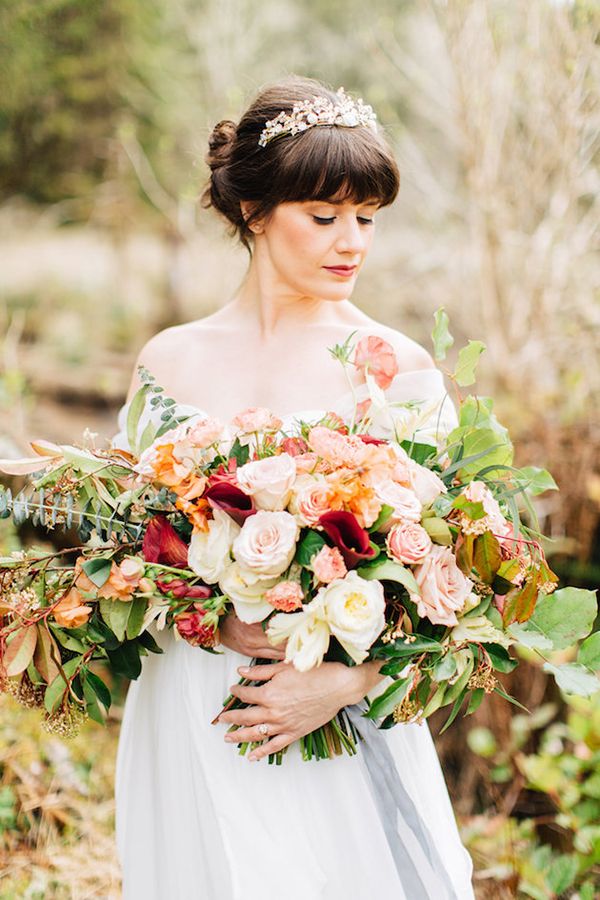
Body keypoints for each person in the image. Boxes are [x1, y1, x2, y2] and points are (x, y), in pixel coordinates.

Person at [113, 75, 475, 899]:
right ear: (254, 212)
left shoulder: (395, 371)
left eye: (367, 219)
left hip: (337, 717)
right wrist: (206, 617)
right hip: (196, 700)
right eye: (325, 217)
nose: (353, 242)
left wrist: (346, 681)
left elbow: (458, 580)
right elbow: (127, 547)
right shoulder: (170, 362)